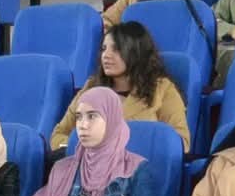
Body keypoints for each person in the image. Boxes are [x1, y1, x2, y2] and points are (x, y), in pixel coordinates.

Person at [27, 86, 164, 196]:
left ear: (111, 119)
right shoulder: (62, 169)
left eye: (92, 116)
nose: (82, 125)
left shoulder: (135, 168)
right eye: (79, 117)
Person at [48, 23, 192, 156]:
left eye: (116, 49)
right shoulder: (91, 87)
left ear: (136, 52)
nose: (106, 55)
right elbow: (59, 135)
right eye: (104, 49)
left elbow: (181, 143)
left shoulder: (162, 89)